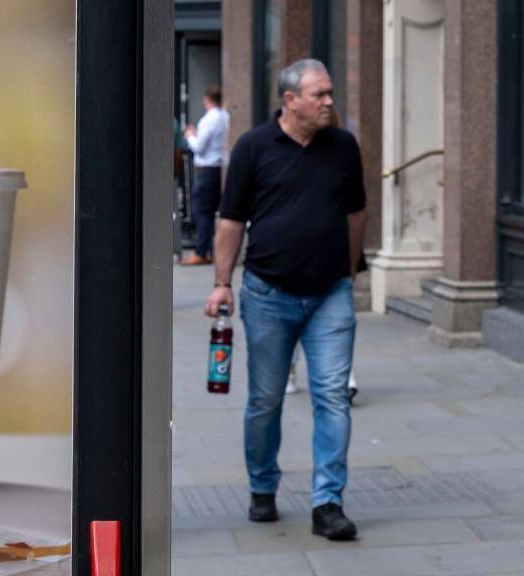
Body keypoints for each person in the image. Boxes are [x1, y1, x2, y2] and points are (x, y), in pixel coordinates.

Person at [204, 59, 366, 541]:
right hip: (268, 295)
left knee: (333, 397)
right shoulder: (254, 147)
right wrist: (221, 282)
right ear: (290, 100)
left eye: (330, 92)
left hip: (331, 296)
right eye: (319, 94)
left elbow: (356, 214)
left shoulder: (343, 147)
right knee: (265, 400)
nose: (328, 102)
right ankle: (262, 488)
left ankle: (328, 502)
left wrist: (350, 273)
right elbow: (230, 221)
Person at [181, 86, 229, 265]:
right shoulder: (225, 117)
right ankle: (209, 250)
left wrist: (190, 136)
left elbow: (200, 147)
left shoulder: (209, 119)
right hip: (220, 168)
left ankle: (201, 251)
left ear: (206, 99)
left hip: (206, 169)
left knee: (202, 211)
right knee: (214, 211)